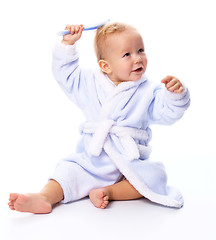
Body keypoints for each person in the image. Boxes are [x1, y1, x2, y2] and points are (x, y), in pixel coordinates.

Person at [8, 22, 190, 214]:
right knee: (67, 170)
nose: (137, 59)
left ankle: (108, 191)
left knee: (156, 176)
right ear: (105, 66)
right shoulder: (89, 83)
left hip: (129, 162)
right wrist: (67, 45)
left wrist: (175, 95)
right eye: (127, 54)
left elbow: (167, 113)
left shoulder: (149, 91)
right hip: (93, 161)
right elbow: (66, 75)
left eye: (140, 50)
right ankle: (44, 197)